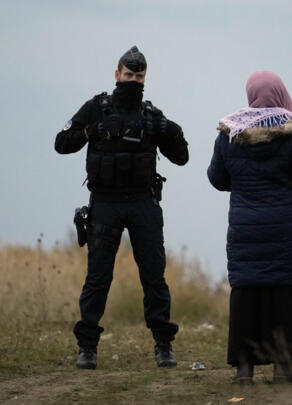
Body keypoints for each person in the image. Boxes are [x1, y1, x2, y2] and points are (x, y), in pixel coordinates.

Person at [55, 46, 189, 369]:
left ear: (145, 78)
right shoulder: (97, 108)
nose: (133, 81)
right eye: (128, 75)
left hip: (143, 202)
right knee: (98, 277)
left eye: (139, 76)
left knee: (154, 276)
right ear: (117, 75)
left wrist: (168, 130)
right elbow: (61, 142)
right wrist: (93, 131)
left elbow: (182, 157)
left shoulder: (151, 115)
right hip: (105, 203)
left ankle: (163, 345)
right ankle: (87, 348)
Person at [207, 70, 292, 384]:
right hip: (284, 230)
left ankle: (244, 369)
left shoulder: (230, 133)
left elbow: (216, 178)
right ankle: (283, 369)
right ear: (279, 93)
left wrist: (244, 183)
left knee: (246, 295)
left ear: (250, 94)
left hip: (245, 230)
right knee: (283, 294)